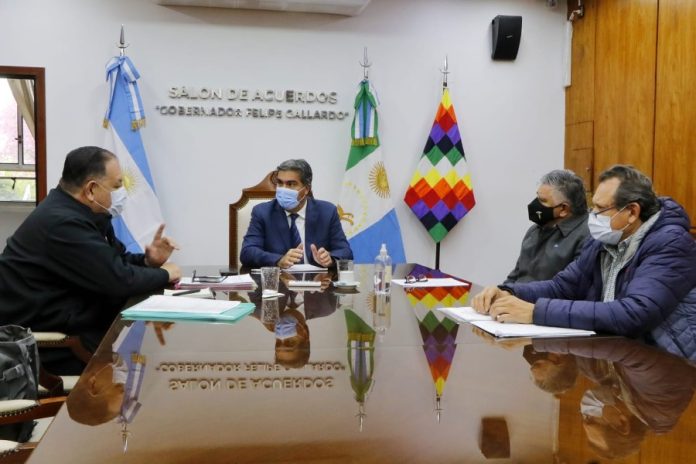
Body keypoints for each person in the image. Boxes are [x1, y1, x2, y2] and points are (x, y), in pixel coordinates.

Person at [473, 165, 696, 359]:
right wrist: (508, 292)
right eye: (593, 207)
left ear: (631, 212)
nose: (592, 215)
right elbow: (562, 287)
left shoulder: (671, 244)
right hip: (617, 355)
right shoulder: (603, 240)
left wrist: (535, 312)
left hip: (669, 364)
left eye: (600, 208)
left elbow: (634, 313)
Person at [0, 146, 181, 374]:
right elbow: (119, 280)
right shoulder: (63, 224)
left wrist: (148, 262)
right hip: (52, 347)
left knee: (156, 351)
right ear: (92, 189)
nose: (121, 193)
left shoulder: (82, 213)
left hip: (77, 326)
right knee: (156, 365)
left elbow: (113, 261)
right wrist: (165, 273)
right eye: (117, 185)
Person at [240, 159, 353, 269]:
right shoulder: (262, 212)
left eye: (291, 184)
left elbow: (345, 251)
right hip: (279, 279)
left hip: (318, 279)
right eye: (280, 183)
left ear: (306, 189)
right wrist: (279, 260)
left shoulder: (327, 212)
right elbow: (247, 252)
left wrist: (330, 258)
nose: (283, 189)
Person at [505, 169, 589, 284]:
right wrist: (501, 291)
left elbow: (569, 287)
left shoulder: (587, 237)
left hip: (541, 296)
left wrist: (515, 293)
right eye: (537, 197)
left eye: (542, 201)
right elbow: (515, 276)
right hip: (516, 294)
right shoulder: (535, 230)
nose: (535, 204)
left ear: (563, 209)